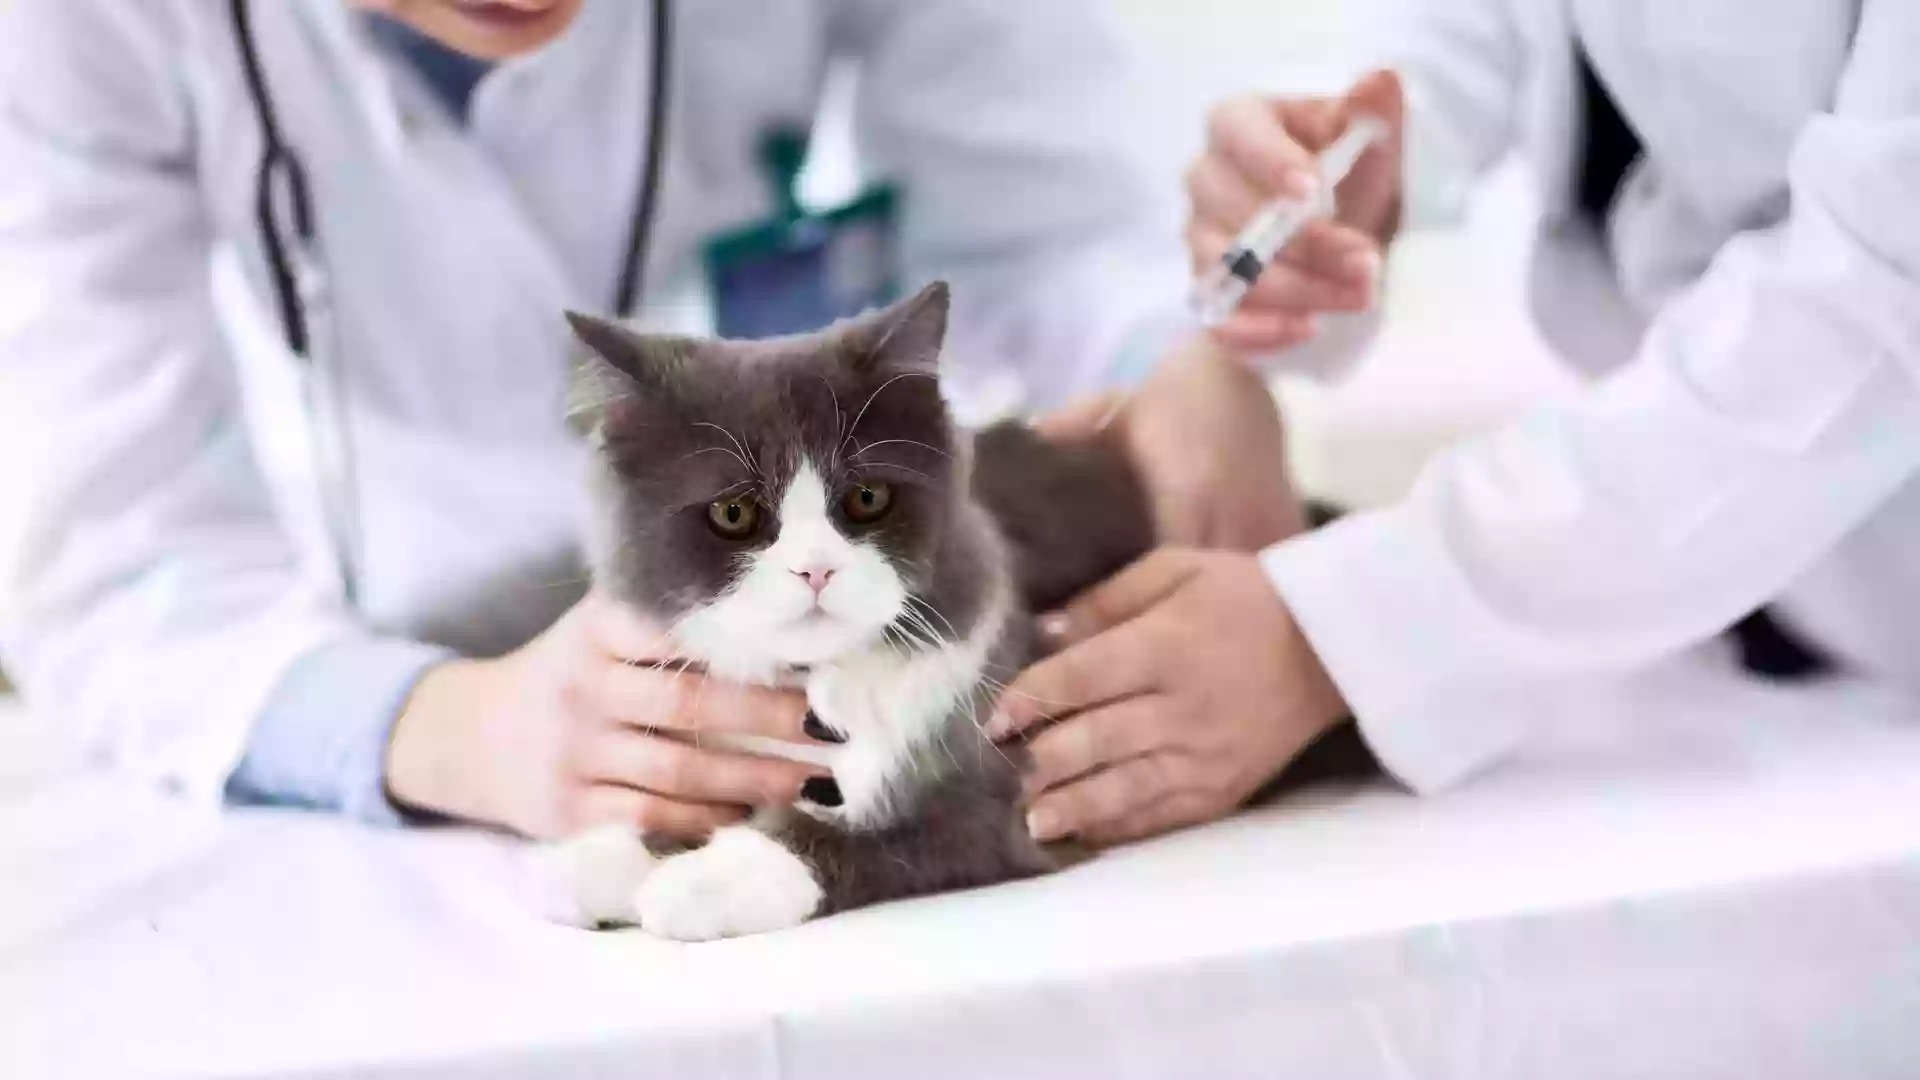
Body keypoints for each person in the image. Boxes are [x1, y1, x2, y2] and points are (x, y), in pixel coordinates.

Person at [0, 0, 1290, 839]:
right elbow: (117, 557)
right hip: (363, 656)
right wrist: (438, 729)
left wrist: (1170, 364)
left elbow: (1056, 225)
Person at [996, 0, 1920, 847]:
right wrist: (1335, 158)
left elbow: (1874, 307)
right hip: (1753, 639)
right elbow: (1450, 37)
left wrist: (1341, 631)